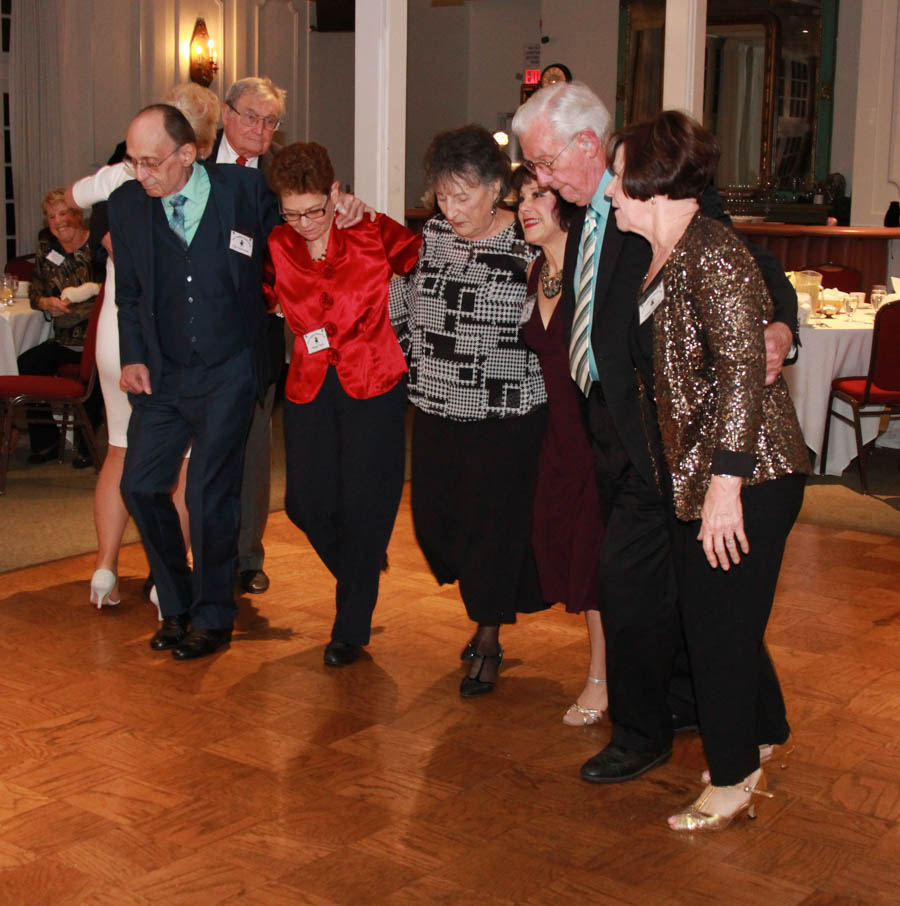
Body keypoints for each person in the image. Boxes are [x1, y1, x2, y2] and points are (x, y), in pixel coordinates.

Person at [512, 81, 799, 781]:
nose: (540, 181)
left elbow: (750, 266)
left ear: (588, 146)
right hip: (613, 431)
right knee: (691, 593)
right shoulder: (584, 205)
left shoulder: (650, 189)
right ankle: (744, 715)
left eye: (545, 163)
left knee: (638, 588)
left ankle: (642, 733)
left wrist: (781, 329)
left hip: (669, 443)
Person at [606, 110, 810, 829]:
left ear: (653, 183)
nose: (608, 190)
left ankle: (732, 777)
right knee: (724, 617)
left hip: (748, 475)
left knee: (715, 628)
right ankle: (763, 730)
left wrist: (725, 486)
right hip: (703, 473)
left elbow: (743, 370)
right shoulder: (663, 254)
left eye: (618, 176)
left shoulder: (713, 254)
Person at [108, 103, 280, 659]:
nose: (142, 174)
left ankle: (212, 615)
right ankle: (176, 600)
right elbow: (130, 295)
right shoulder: (128, 205)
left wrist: (342, 209)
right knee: (139, 484)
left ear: (188, 154)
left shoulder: (244, 192)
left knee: (209, 497)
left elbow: (299, 233)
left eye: (152, 162)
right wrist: (134, 356)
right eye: (134, 161)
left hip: (229, 368)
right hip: (163, 373)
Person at [390, 124, 548, 697]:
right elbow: (400, 306)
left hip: (505, 415)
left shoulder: (528, 245)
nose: (449, 208)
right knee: (436, 523)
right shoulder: (431, 235)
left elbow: (550, 329)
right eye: (442, 195)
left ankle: (487, 634)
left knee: (492, 530)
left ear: (496, 189)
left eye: (463, 196)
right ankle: (483, 602)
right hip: (434, 405)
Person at [265, 142, 421, 666]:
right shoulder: (278, 245)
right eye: (292, 213)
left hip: (374, 382)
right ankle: (361, 567)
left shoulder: (371, 230)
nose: (305, 222)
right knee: (303, 503)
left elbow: (424, 257)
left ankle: (349, 628)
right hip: (308, 385)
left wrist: (369, 212)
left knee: (366, 503)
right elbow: (263, 299)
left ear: (336, 193)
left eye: (315, 210)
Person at [67, 83, 221, 609]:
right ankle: (164, 578)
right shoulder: (159, 180)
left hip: (114, 333)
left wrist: (107, 232)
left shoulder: (119, 176)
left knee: (119, 450)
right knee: (175, 463)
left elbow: (72, 197)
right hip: (146, 337)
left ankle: (105, 571)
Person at [512, 165, 607, 723]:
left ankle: (602, 678)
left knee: (595, 562)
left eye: (538, 194)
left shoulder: (592, 268)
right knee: (570, 553)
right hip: (557, 437)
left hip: (597, 437)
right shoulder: (535, 271)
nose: (525, 205)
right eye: (520, 196)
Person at [212, 75, 288, 596]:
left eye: (270, 121)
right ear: (225, 113)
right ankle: (187, 553)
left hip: (257, 331)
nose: (260, 129)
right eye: (251, 117)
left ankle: (246, 556)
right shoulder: (186, 160)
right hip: (194, 332)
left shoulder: (282, 176)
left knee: (254, 451)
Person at [18, 190, 102, 466]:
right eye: (51, 216)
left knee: (93, 372)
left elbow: (110, 290)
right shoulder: (47, 249)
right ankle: (47, 443)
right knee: (28, 363)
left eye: (63, 213)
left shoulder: (98, 246)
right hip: (64, 340)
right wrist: (45, 302)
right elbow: (35, 292)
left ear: (76, 214)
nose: (58, 221)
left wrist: (77, 304)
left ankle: (85, 446)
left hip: (95, 338)